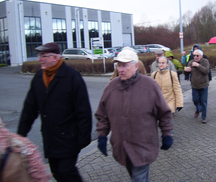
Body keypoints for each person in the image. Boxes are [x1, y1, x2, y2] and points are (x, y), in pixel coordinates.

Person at [95, 47, 173, 182]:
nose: (120, 69)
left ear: (136, 66)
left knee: (138, 178)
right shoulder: (112, 86)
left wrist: (167, 133)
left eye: (125, 65)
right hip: (122, 146)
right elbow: (103, 115)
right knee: (136, 175)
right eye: (119, 65)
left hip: (143, 145)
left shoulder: (149, 85)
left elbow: (164, 112)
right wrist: (102, 135)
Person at [17, 42, 92, 182]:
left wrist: (82, 139)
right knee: (56, 172)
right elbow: (30, 108)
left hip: (68, 138)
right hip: (50, 138)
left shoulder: (72, 77)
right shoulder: (39, 77)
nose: (40, 59)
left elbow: (84, 111)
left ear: (55, 57)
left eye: (43, 56)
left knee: (66, 171)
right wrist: (20, 134)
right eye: (40, 56)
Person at [184, 49, 210, 124]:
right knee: (195, 100)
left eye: (197, 55)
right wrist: (186, 70)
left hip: (204, 85)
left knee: (204, 102)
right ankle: (198, 109)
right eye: (194, 55)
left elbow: (206, 71)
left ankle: (204, 117)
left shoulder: (205, 61)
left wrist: (198, 65)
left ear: (201, 56)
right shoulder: (191, 62)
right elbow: (186, 73)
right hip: (194, 85)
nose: (195, 57)